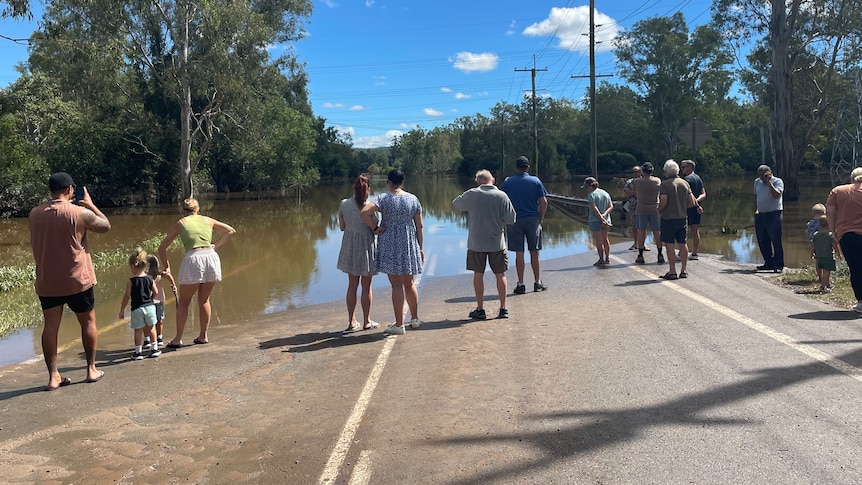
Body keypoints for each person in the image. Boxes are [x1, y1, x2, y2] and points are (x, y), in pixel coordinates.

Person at [29, 172, 111, 390]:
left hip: (47, 280)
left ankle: (53, 376)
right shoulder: (79, 213)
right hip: (77, 279)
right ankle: (91, 369)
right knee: (88, 322)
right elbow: (105, 226)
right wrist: (91, 205)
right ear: (69, 190)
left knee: (51, 327)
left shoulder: (34, 213)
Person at [158, 198, 236, 347]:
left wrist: (167, 266)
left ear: (183, 211)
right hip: (211, 258)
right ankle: (203, 335)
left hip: (193, 259)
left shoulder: (181, 223)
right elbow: (230, 231)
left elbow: (162, 247)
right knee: (204, 300)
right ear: (198, 209)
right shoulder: (207, 220)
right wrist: (215, 246)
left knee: (184, 302)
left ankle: (178, 339)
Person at [360, 169, 424, 335]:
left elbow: (364, 212)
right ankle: (415, 319)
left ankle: (399, 324)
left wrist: (374, 228)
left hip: (389, 243)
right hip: (408, 242)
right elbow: (420, 226)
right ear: (402, 182)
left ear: (389, 182)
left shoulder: (384, 198)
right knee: (409, 283)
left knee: (396, 284)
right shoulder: (412, 199)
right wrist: (420, 247)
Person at [452, 169, 517, 319]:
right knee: (500, 274)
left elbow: (455, 204)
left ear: (478, 181)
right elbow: (511, 219)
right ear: (492, 180)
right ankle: (503, 309)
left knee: (478, 274)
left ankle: (480, 309)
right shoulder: (502, 195)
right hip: (497, 243)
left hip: (476, 243)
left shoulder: (472, 194)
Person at [501, 156, 549, 294]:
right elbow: (543, 202)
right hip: (533, 219)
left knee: (519, 253)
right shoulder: (535, 181)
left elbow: (503, 201)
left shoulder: (508, 182)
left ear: (516, 168)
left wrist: (504, 218)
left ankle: (521, 284)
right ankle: (537, 282)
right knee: (534, 252)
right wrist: (541, 218)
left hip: (514, 219)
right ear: (527, 168)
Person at [337, 175, 380, 331]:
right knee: (366, 286)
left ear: (354, 188)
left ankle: (351, 321)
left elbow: (342, 227)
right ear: (368, 189)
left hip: (350, 246)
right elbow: (375, 229)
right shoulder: (370, 207)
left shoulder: (344, 204)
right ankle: (367, 321)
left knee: (352, 285)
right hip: (366, 247)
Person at [657, 160, 702, 280]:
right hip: (682, 218)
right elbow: (692, 202)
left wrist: (659, 210)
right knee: (683, 243)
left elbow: (664, 201)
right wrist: (682, 207)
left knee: (670, 244)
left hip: (668, 218)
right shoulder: (685, 183)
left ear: (666, 171)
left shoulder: (665, 184)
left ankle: (672, 271)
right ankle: (684, 270)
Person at [826, 166, 862, 312]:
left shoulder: (838, 191)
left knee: (856, 268)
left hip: (848, 235)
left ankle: (861, 302)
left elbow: (829, 212)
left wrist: (832, 230)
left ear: (851, 178)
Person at [118, 248, 161, 360]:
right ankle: (154, 349)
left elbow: (127, 296)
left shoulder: (130, 281)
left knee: (138, 330)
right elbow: (156, 292)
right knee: (151, 328)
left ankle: (138, 352)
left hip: (137, 308)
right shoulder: (150, 279)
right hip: (150, 307)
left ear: (133, 266)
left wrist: (122, 310)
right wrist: (150, 298)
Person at [754, 165, 785, 272]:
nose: (762, 177)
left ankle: (778, 265)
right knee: (762, 240)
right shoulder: (757, 182)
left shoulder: (778, 181)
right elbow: (757, 197)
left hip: (774, 214)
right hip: (761, 214)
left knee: (776, 240)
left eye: (764, 175)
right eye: (760, 175)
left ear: (770, 172)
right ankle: (768, 262)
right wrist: (756, 209)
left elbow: (776, 195)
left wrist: (769, 183)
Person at [633, 161, 663, 264]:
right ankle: (660, 254)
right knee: (657, 232)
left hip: (642, 209)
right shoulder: (657, 181)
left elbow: (634, 189)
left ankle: (640, 255)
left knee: (641, 231)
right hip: (655, 208)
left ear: (642, 171)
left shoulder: (637, 181)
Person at [144, 254, 176, 349]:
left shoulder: (145, 276)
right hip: (160, 300)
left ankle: (147, 339)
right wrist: (173, 286)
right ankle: (159, 337)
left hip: (148, 301)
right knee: (159, 320)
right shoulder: (159, 274)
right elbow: (169, 277)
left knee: (147, 321)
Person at [582, 176, 613, 266]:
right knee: (605, 239)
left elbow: (594, 209)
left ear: (590, 186)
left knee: (599, 241)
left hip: (595, 220)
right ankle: (607, 258)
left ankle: (601, 259)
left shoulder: (591, 195)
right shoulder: (605, 193)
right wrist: (605, 215)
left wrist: (600, 218)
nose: (586, 190)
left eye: (586, 187)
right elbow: (611, 206)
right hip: (606, 220)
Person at [680, 160, 706, 260]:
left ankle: (682, 253)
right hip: (697, 208)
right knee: (695, 230)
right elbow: (703, 194)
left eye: (684, 167)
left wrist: (694, 203)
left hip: (687, 208)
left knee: (683, 231)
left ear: (691, 167)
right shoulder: (698, 178)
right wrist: (697, 203)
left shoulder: (686, 180)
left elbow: (685, 196)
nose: (682, 169)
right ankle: (695, 253)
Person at [810, 216, 841, 293]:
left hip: (819, 256)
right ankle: (823, 286)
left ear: (820, 225)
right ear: (830, 225)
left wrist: (812, 253)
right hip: (828, 256)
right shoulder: (830, 235)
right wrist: (839, 254)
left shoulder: (816, 234)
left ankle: (827, 284)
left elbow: (812, 245)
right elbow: (835, 246)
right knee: (827, 271)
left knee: (821, 269)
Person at [623, 166, 643, 250]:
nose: (635, 173)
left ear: (641, 172)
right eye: (633, 172)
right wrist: (636, 192)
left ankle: (642, 243)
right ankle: (635, 243)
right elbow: (626, 192)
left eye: (637, 171)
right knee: (634, 226)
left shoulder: (645, 181)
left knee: (642, 226)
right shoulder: (629, 182)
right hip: (633, 207)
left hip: (643, 206)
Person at [807, 203, 827, 284]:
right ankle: (826, 277)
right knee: (826, 261)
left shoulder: (809, 224)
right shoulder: (824, 223)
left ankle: (820, 277)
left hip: (813, 245)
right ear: (824, 213)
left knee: (818, 261)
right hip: (824, 245)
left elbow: (809, 234)